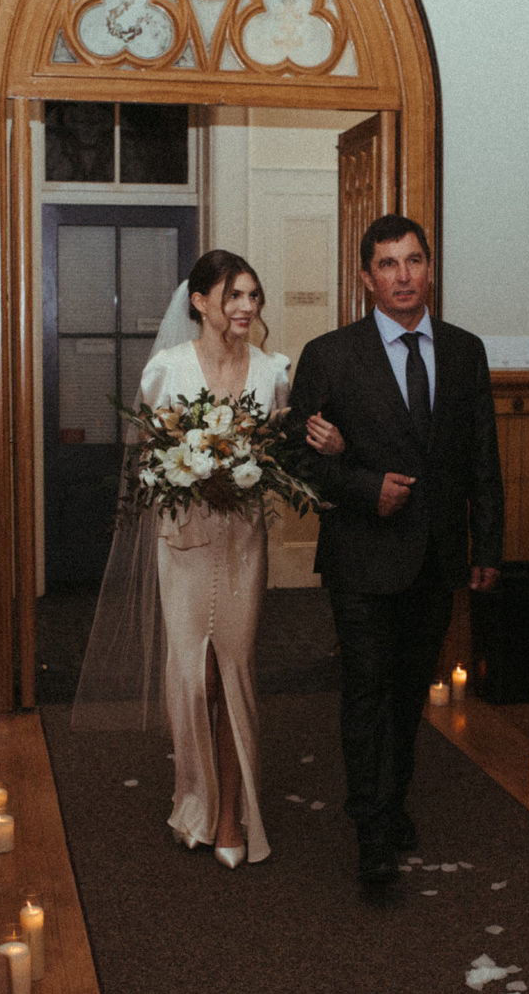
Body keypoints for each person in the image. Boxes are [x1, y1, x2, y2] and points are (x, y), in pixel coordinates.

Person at [73, 250, 343, 869]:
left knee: (235, 673)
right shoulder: (166, 370)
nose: (247, 306)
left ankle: (231, 815)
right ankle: (195, 797)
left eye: (253, 295)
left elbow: (286, 457)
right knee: (194, 680)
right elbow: (148, 460)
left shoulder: (273, 372)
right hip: (185, 546)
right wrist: (184, 470)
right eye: (234, 295)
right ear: (199, 302)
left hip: (243, 544)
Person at [288, 214, 504, 884]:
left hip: (436, 556)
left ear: (429, 268)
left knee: (409, 693)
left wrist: (487, 545)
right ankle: (371, 830)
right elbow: (296, 458)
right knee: (367, 690)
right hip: (361, 554)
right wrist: (363, 488)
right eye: (387, 264)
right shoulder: (330, 355)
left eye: (413, 261)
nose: (403, 275)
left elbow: (482, 457)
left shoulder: (465, 351)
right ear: (366, 277)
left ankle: (391, 800)